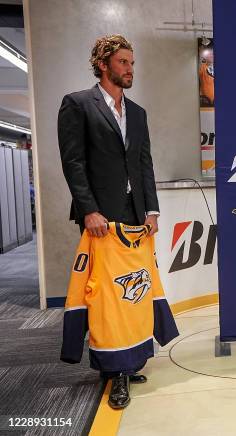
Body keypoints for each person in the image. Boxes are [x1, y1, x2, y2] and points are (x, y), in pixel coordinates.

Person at [57, 34, 161, 408]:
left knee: (133, 292)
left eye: (132, 63)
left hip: (135, 218)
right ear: (103, 64)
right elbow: (73, 162)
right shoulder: (78, 105)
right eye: (123, 63)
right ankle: (113, 373)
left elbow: (144, 163)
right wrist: (89, 210)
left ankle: (129, 360)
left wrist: (152, 210)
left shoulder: (138, 112)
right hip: (100, 218)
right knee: (106, 300)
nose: (130, 69)